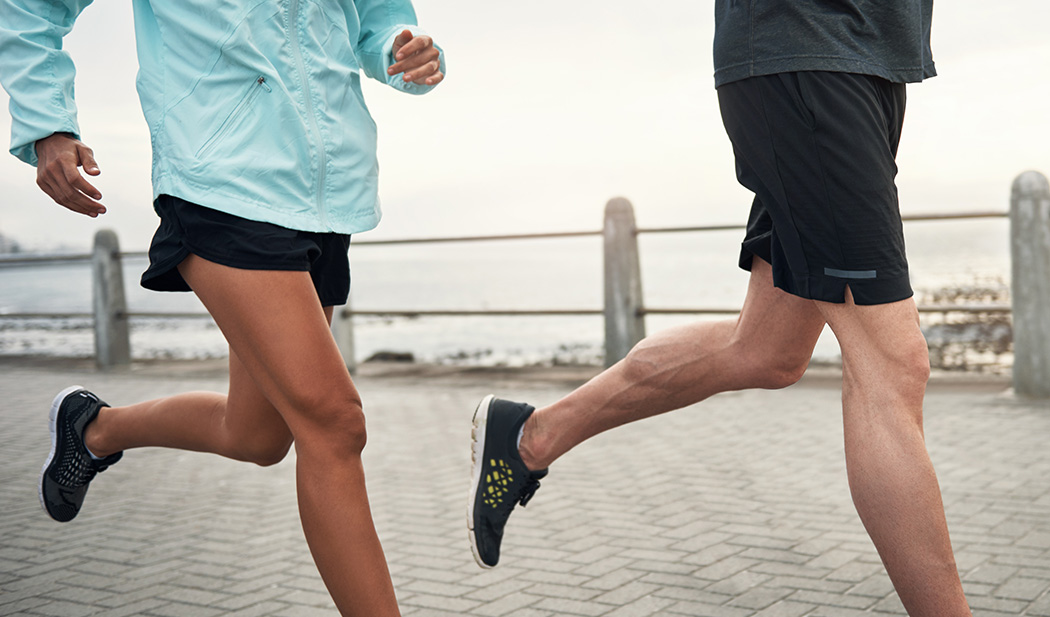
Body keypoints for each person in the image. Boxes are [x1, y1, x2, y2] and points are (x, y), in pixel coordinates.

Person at [467, 2, 973, 615]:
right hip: (808, 54)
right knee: (891, 365)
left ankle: (529, 435)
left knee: (766, 351)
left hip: (865, 60)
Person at [1, 0, 444, 614]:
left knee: (258, 435)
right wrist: (48, 123)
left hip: (327, 192)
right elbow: (28, 9)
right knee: (335, 423)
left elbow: (375, 20)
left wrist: (402, 48)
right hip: (220, 180)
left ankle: (94, 429)